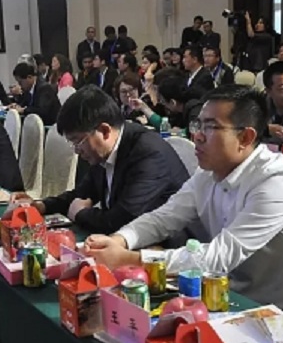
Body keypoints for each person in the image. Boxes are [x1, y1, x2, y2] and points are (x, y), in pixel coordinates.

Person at [84, 85, 283, 337]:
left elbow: (217, 258)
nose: (197, 136)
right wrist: (119, 240)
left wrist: (130, 259)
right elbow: (165, 217)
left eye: (210, 127)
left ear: (245, 138)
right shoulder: (210, 171)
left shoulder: (275, 183)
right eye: (198, 125)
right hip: (237, 302)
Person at [10, 85, 188, 234]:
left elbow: (122, 219)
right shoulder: (103, 152)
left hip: (167, 248)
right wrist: (41, 206)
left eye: (77, 142)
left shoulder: (148, 153)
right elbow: (82, 193)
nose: (76, 151)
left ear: (104, 131)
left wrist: (80, 214)